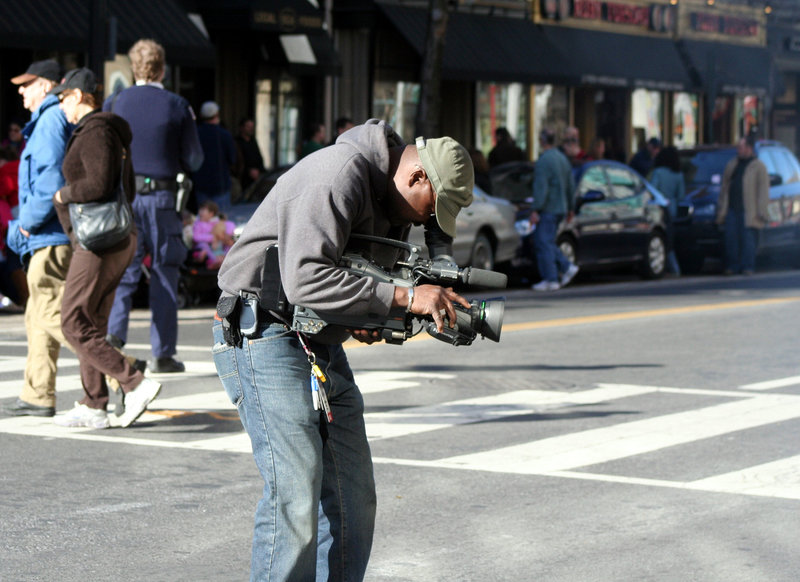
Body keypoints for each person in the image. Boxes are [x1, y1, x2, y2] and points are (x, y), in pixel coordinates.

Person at [213, 119, 474, 581]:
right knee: (295, 491)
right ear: (417, 177)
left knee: (354, 496)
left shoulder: (396, 204)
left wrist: (370, 315)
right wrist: (405, 297)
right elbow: (305, 277)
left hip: (316, 339)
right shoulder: (337, 174)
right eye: (431, 210)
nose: (426, 222)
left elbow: (357, 284)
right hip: (264, 333)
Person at [49, 68, 162, 428]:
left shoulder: (96, 130)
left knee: (71, 321)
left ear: (80, 96)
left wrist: (63, 194)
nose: (62, 105)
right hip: (113, 237)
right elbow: (122, 189)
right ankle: (94, 403)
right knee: (91, 321)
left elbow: (97, 184)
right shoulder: (108, 131)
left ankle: (134, 382)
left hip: (99, 242)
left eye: (64, 97)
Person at [103, 39, 204, 374]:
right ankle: (163, 353)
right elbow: (194, 158)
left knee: (124, 271)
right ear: (162, 68)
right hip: (162, 199)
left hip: (125, 197)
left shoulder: (115, 101)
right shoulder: (176, 105)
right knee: (164, 271)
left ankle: (114, 339)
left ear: (134, 68)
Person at [3, 59, 75, 418]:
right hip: (47, 235)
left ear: (45, 86)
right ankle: (37, 393)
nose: (21, 90)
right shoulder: (48, 121)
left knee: (52, 315)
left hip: (47, 235)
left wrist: (26, 224)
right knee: (37, 315)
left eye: (27, 83)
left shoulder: (48, 123)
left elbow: (49, 181)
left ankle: (122, 374)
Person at [530, 128, 579, 292]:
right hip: (562, 207)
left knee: (543, 241)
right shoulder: (562, 159)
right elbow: (570, 185)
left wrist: (536, 209)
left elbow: (541, 187)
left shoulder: (544, 160)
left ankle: (551, 278)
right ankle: (566, 267)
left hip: (549, 207)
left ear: (542, 141)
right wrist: (571, 207)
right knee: (548, 241)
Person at [715, 134, 769, 276]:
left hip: (749, 210)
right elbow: (725, 187)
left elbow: (763, 190)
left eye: (741, 146)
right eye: (738, 147)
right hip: (732, 208)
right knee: (731, 240)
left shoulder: (758, 166)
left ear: (749, 148)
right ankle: (732, 266)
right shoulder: (732, 164)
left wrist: (762, 210)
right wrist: (722, 208)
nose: (739, 149)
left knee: (748, 240)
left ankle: (747, 267)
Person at [192, 101, 237, 214]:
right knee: (221, 222)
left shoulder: (196, 134)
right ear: (217, 115)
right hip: (220, 185)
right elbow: (232, 159)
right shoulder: (224, 135)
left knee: (204, 221)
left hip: (201, 184)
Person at [649, 145, 685, 275]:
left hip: (660, 208)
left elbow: (652, 189)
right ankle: (675, 269)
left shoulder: (658, 172)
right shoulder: (678, 174)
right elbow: (681, 195)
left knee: (662, 238)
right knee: (669, 238)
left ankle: (671, 267)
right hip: (672, 208)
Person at [235, 118, 264, 192]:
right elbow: (236, 161)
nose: (251, 129)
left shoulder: (253, 141)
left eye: (252, 127)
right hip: (243, 179)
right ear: (242, 128)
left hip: (255, 178)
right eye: (248, 126)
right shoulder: (236, 142)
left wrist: (259, 170)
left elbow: (259, 158)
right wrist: (249, 171)